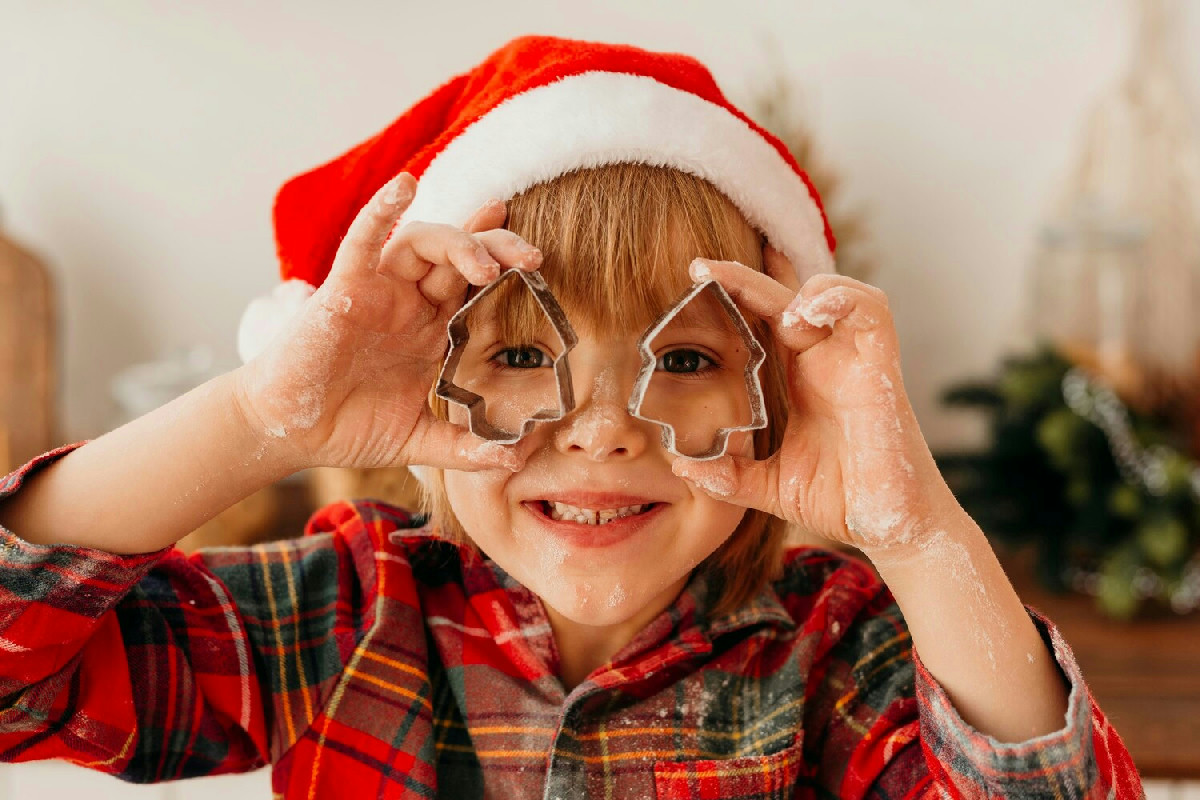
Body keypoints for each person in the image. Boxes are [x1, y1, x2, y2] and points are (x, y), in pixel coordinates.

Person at [0, 35, 1142, 799]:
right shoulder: (350, 610)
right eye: (520, 352)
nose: (602, 430)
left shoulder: (841, 653)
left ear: (775, 392)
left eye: (684, 354)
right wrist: (263, 417)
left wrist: (915, 529)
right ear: (417, 389)